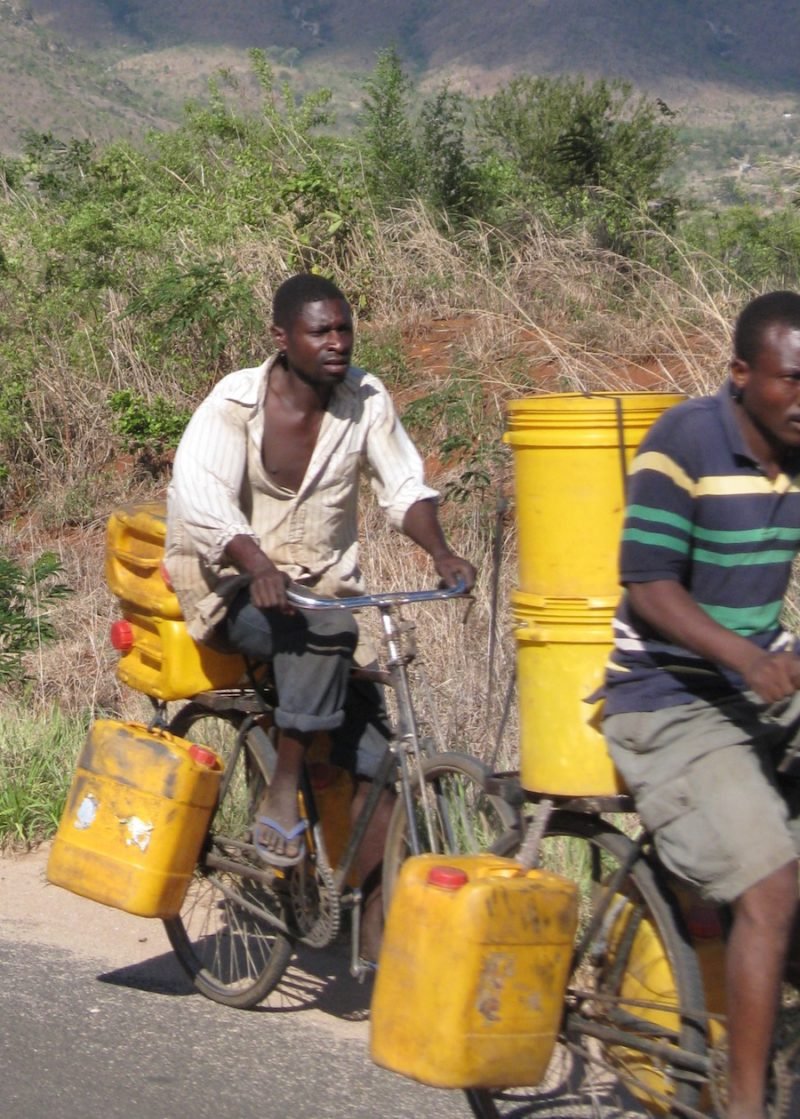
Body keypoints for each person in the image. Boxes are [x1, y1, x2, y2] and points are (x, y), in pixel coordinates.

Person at [164, 272, 475, 961]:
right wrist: (257, 563)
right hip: (228, 585)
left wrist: (441, 551)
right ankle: (281, 792)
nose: (337, 342)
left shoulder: (365, 399)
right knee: (332, 627)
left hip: (317, 589)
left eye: (344, 329)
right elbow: (202, 496)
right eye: (321, 331)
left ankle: (379, 939)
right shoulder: (234, 402)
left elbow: (403, 486)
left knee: (378, 760)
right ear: (282, 338)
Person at [601, 290, 800, 1119]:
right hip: (666, 696)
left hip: (753, 682)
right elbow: (646, 585)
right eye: (793, 379)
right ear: (742, 375)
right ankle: (745, 1103)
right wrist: (748, 656)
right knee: (773, 888)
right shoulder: (684, 441)